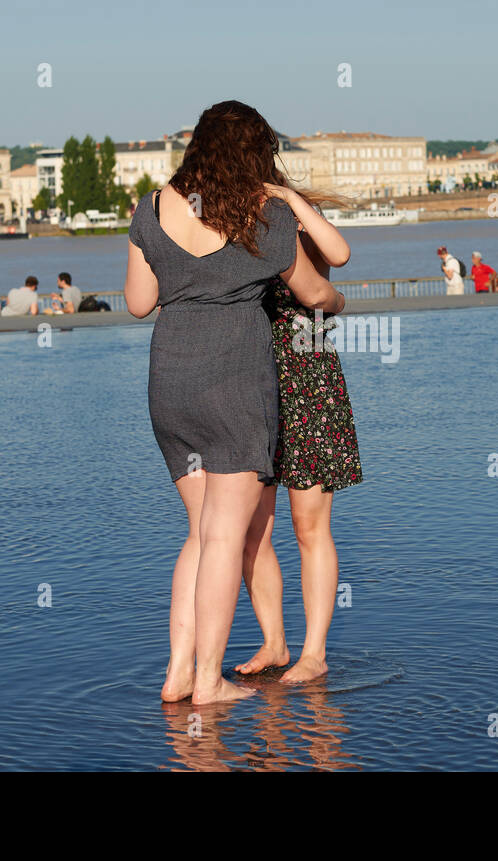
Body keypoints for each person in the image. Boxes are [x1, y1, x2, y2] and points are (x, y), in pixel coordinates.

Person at [123, 100, 344, 704]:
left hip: (169, 381)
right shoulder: (263, 214)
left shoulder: (151, 206)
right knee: (225, 537)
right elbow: (311, 288)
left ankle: (176, 672)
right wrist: (337, 303)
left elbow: (140, 303)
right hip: (235, 380)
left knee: (198, 533)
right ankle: (207, 682)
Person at [235, 183, 363, 684]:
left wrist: (291, 199)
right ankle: (274, 642)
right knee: (252, 530)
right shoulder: (236, 226)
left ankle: (315, 653)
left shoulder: (296, 220)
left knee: (310, 528)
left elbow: (341, 253)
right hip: (251, 381)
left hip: (309, 380)